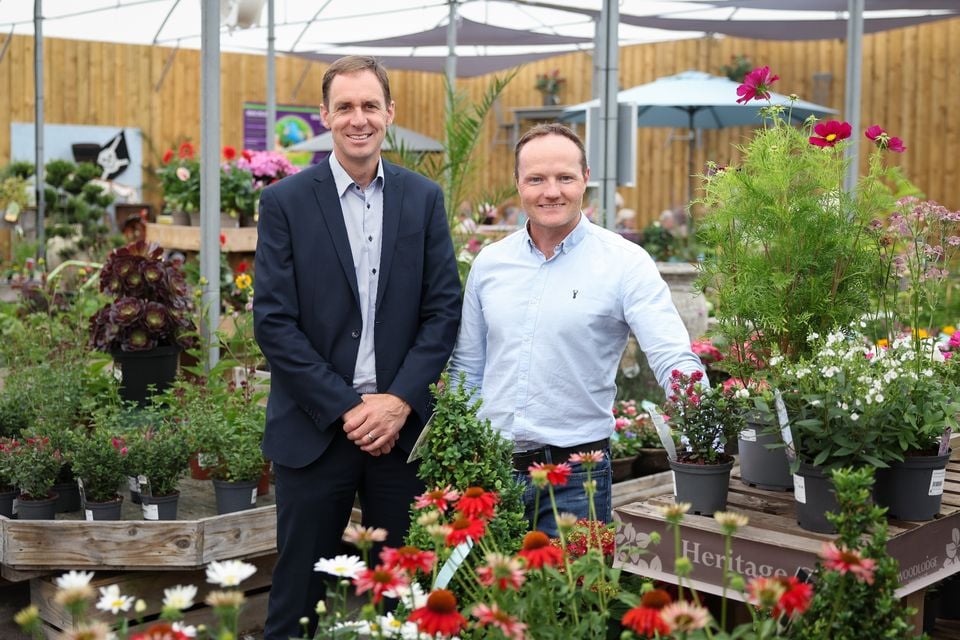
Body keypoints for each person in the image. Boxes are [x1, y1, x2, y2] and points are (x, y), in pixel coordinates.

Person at [254, 55, 461, 640]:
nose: (358, 119)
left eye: (370, 105)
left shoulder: (422, 199)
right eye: (344, 106)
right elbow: (273, 323)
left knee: (402, 597)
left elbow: (443, 311)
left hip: (400, 435)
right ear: (324, 116)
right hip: (316, 430)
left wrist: (397, 402)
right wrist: (348, 407)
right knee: (297, 599)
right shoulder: (287, 203)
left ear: (389, 113)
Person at [447, 123, 704, 535]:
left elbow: (671, 355)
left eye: (565, 177)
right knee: (487, 596)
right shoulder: (491, 264)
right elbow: (468, 370)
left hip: (575, 478)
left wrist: (703, 429)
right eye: (536, 179)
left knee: (575, 599)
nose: (551, 191)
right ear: (518, 184)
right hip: (490, 473)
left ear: (586, 179)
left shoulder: (625, 263)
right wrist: (460, 455)